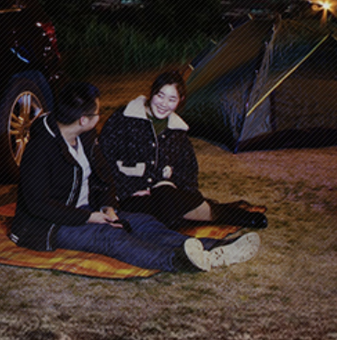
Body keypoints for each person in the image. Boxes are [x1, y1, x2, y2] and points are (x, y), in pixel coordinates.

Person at [9, 81, 259, 272]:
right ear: (82, 119)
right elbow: (37, 205)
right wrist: (90, 217)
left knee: (142, 223)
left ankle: (212, 249)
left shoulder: (84, 136)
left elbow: (103, 175)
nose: (99, 117)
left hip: (87, 209)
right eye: (96, 114)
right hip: (48, 224)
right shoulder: (41, 148)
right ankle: (176, 261)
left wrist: (107, 205)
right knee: (110, 236)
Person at [96, 70, 268, 229]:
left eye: (172, 99)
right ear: (152, 94)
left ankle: (237, 217)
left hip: (165, 194)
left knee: (171, 198)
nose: (164, 104)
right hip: (129, 195)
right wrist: (127, 189)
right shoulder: (123, 119)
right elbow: (103, 160)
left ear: (180, 101)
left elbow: (187, 169)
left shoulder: (177, 130)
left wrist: (177, 190)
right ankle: (220, 218)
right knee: (161, 211)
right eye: (160, 95)